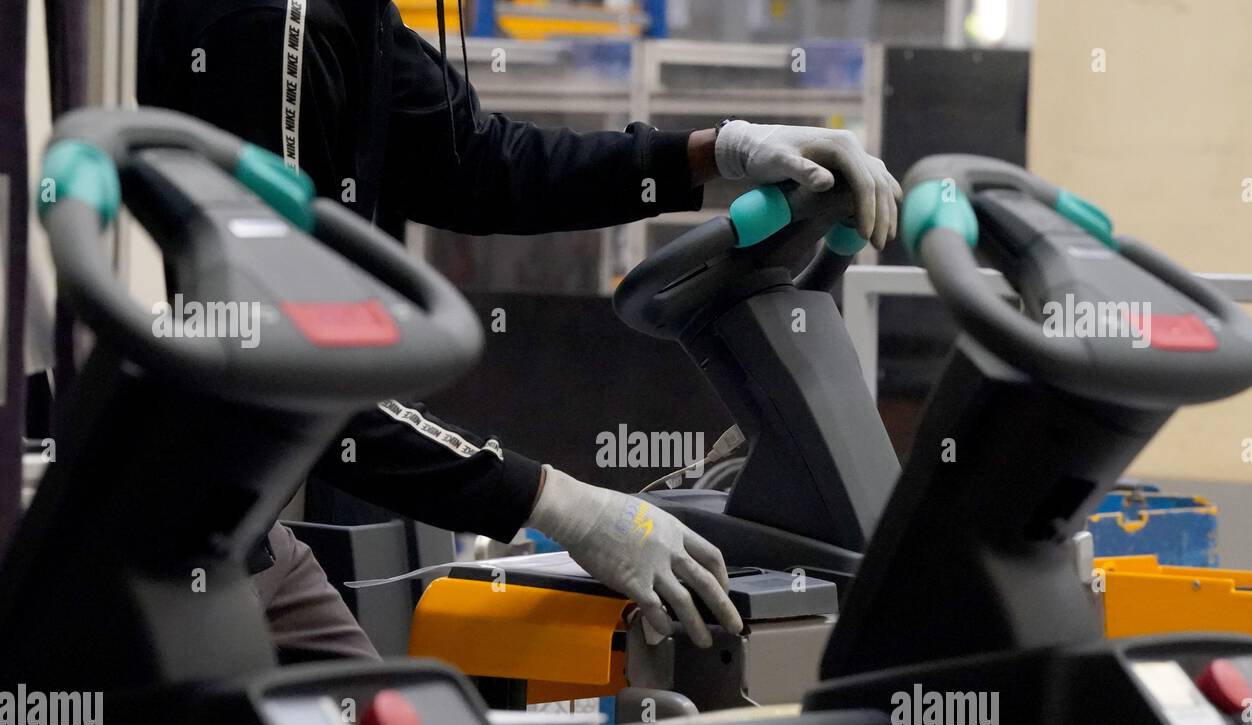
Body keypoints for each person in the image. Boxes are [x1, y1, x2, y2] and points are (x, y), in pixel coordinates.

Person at [136, 0, 901, 661]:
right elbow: (291, 381)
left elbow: (477, 162)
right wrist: (562, 505)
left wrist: (716, 153)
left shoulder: (347, 13)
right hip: (167, 550)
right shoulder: (268, 26)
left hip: (249, 531)